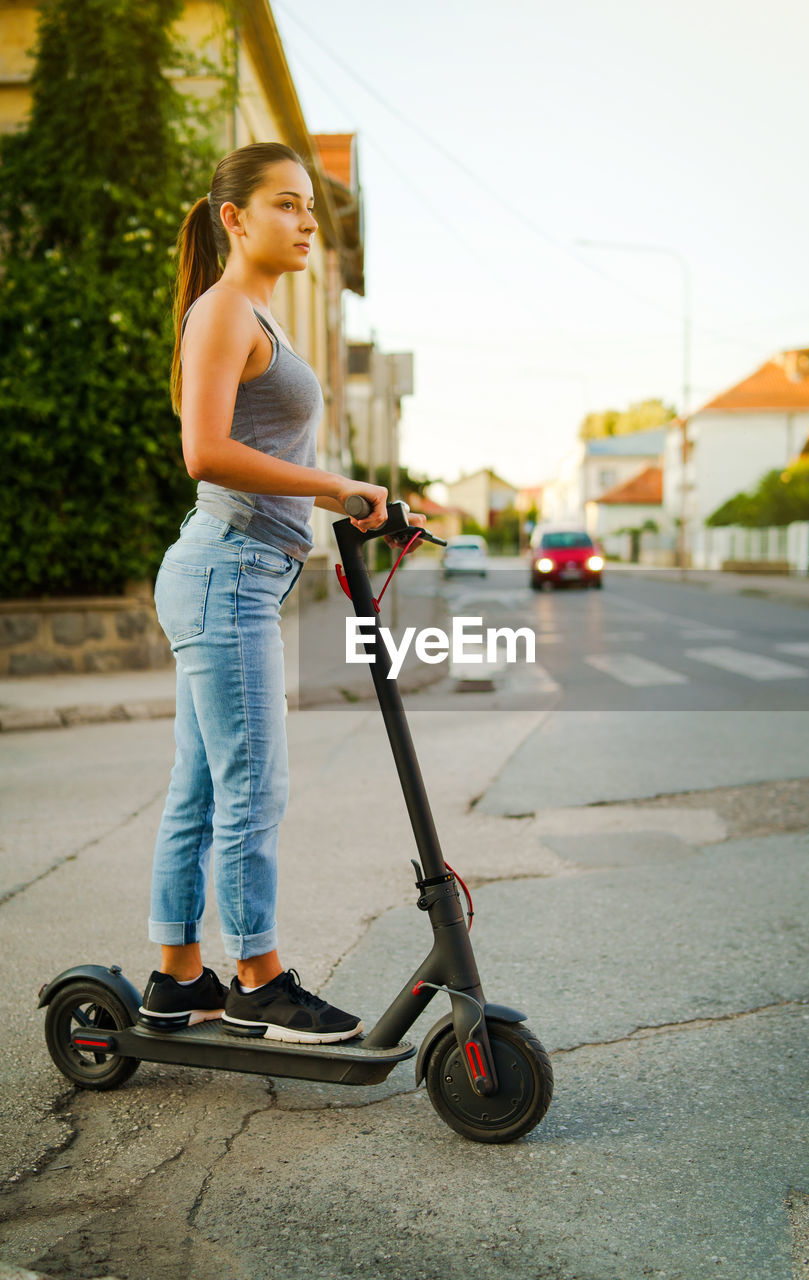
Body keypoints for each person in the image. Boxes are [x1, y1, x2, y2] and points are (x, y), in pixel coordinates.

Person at [139, 142, 425, 1044]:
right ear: (235, 217)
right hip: (225, 575)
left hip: (233, 574)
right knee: (253, 783)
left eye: (309, 207)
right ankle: (258, 978)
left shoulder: (256, 312)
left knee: (202, 788)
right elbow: (205, 451)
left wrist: (337, 495)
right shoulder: (223, 311)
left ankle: (179, 978)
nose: (306, 222)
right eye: (287, 205)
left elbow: (262, 447)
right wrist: (329, 486)